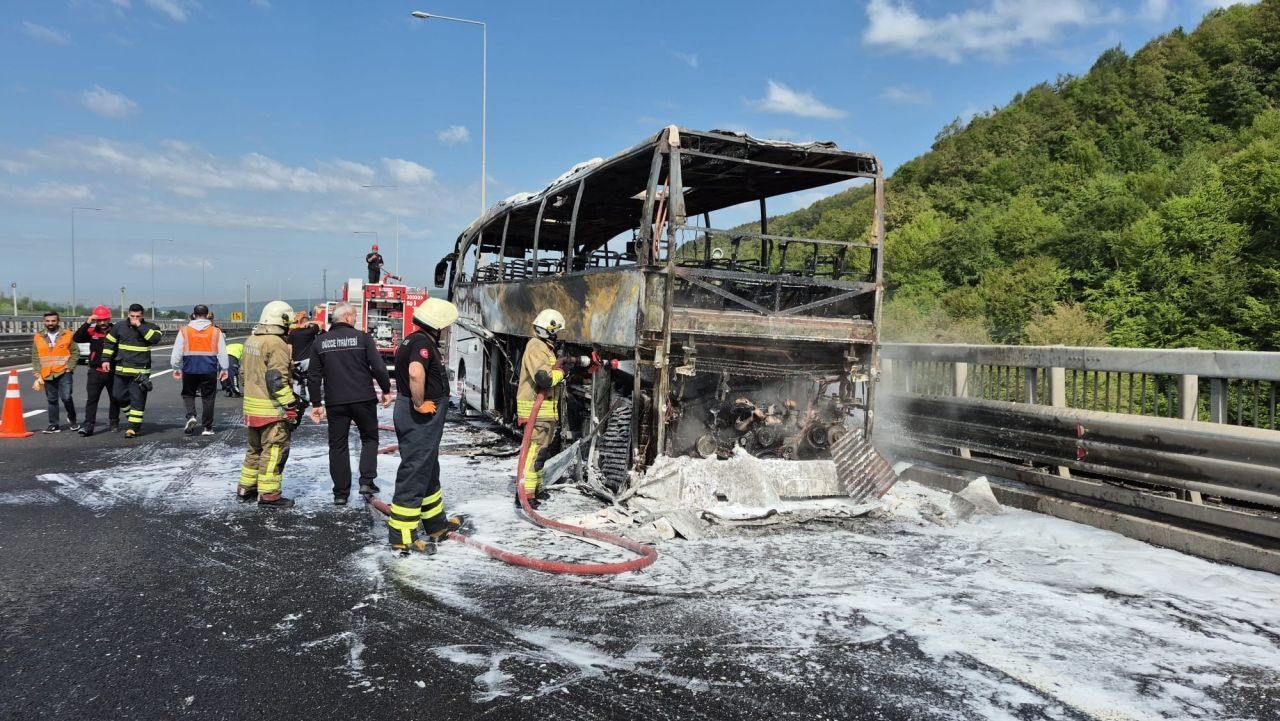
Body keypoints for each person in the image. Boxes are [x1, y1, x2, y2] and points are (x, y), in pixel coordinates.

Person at [386, 298, 463, 554]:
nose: (448, 330)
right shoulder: (421, 343)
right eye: (447, 326)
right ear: (437, 325)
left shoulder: (413, 339)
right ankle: (403, 535)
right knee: (416, 470)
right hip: (419, 415)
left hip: (419, 414)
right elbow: (416, 373)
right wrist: (420, 404)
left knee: (428, 467)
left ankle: (436, 524)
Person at [307, 303, 392, 505]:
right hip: (363, 398)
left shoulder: (320, 342)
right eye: (354, 316)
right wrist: (386, 390)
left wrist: (317, 403)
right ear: (346, 317)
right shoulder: (363, 338)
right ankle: (367, 481)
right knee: (370, 439)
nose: (355, 319)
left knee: (337, 446)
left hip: (336, 402)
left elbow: (313, 375)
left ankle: (340, 493)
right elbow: (379, 367)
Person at [238, 300, 303, 508]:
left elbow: (242, 373)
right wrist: (291, 404)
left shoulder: (251, 340)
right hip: (271, 410)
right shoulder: (277, 344)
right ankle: (269, 495)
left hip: (251, 407)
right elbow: (276, 379)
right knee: (274, 450)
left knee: (254, 450)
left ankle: (245, 488)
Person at [514, 309, 570, 508]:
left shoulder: (544, 348)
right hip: (535, 413)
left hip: (544, 413)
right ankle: (525, 495)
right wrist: (562, 373)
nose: (557, 336)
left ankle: (535, 489)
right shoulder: (536, 346)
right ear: (549, 330)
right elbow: (543, 379)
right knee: (534, 453)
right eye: (556, 332)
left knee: (541, 454)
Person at [100, 304, 163, 439]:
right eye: (132, 316)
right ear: (128, 314)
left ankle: (133, 428)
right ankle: (132, 418)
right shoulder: (119, 326)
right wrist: (105, 360)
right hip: (121, 370)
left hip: (139, 372)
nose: (134, 318)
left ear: (142, 316)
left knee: (137, 400)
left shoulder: (151, 327)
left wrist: (139, 326)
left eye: (138, 316)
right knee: (118, 396)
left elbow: (155, 339)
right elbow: (109, 343)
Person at [171, 304, 229, 436]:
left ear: (194, 314)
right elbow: (222, 352)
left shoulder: (184, 330)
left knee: (188, 394)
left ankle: (191, 415)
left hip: (189, 368)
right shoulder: (215, 331)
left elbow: (177, 351)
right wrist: (224, 369)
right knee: (208, 397)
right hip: (209, 369)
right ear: (207, 315)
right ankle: (207, 428)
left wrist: (176, 367)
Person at [31, 311, 79, 433]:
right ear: (44, 322)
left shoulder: (68, 334)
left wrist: (70, 367)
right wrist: (37, 371)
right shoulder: (38, 336)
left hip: (64, 371)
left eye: (53, 321)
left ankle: (72, 419)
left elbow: (75, 352)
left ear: (58, 321)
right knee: (52, 400)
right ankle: (53, 425)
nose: (50, 323)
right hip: (47, 373)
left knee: (66, 397)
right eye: (48, 321)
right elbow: (35, 355)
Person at [74, 305, 120, 436]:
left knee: (115, 398)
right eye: (99, 320)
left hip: (113, 370)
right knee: (92, 399)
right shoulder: (92, 331)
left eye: (105, 319)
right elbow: (77, 338)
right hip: (95, 371)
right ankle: (88, 425)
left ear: (109, 318)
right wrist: (88, 322)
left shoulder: (116, 331)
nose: (102, 323)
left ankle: (114, 421)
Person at [288, 311, 322, 404]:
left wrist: (290, 359)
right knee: (308, 380)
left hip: (296, 361)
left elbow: (289, 347)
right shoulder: (311, 331)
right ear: (307, 323)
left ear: (300, 323)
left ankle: (297, 399)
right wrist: (310, 322)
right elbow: (320, 324)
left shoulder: (293, 333)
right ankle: (309, 399)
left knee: (296, 381)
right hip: (308, 360)